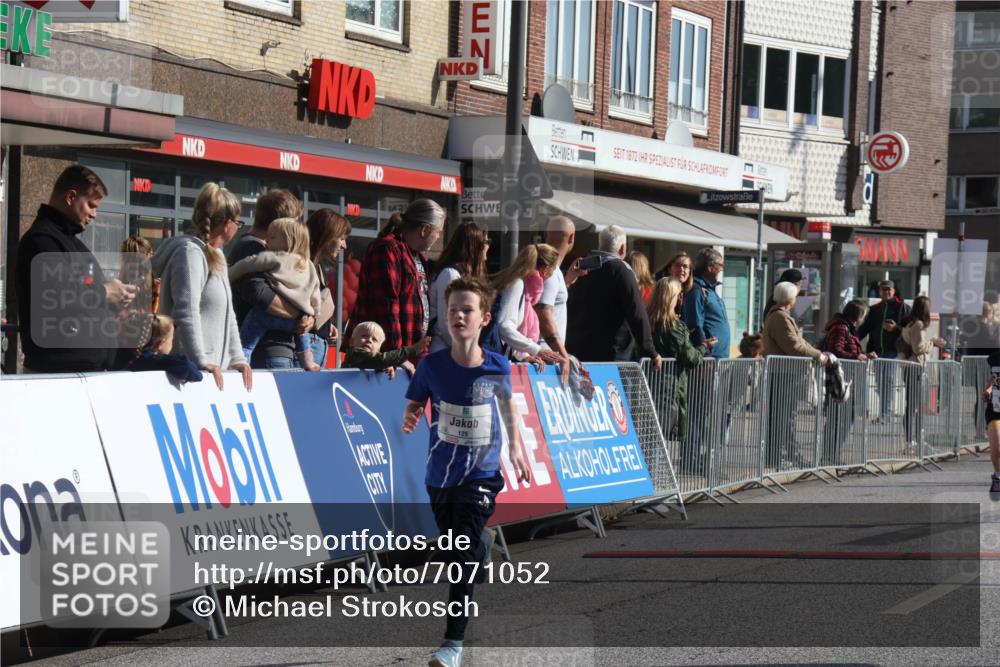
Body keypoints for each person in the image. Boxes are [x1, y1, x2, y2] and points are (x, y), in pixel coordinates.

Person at [402, 276, 531, 667]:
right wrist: (409, 419)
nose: (458, 315)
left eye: (467, 309)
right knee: (457, 546)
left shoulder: (497, 365)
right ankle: (482, 544)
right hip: (440, 475)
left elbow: (508, 408)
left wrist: (516, 447)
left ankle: (452, 644)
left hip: (482, 473)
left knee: (459, 556)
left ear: (484, 319)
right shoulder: (432, 366)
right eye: (452, 309)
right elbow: (415, 402)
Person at [15, 165, 139, 373]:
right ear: (71, 197)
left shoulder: (71, 243)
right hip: (57, 375)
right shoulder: (42, 240)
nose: (94, 215)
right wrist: (106, 292)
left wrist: (118, 301)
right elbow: (57, 296)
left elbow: (86, 298)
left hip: (81, 371)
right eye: (91, 205)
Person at [152, 182, 252, 391]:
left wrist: (238, 358)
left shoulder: (216, 255)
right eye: (238, 222)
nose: (238, 227)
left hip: (210, 373)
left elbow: (228, 315)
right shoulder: (191, 254)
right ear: (227, 224)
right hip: (188, 377)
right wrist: (200, 360)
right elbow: (186, 312)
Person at [351, 199, 444, 363]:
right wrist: (397, 356)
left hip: (410, 355)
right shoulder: (388, 249)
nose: (438, 237)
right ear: (425, 229)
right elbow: (386, 305)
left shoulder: (417, 256)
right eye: (438, 232)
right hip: (386, 359)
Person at [228, 188, 309, 370]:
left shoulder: (266, 250)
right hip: (266, 350)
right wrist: (300, 315)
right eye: (294, 221)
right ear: (280, 223)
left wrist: (308, 315)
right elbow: (259, 293)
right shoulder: (252, 248)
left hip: (275, 348)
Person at [566, 225, 661, 367]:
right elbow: (637, 313)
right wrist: (651, 351)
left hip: (576, 351)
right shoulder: (621, 270)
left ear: (600, 244)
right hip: (610, 356)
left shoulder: (580, 266)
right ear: (623, 248)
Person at [763, 282, 831, 468]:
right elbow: (794, 346)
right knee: (784, 418)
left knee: (784, 417)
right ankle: (781, 457)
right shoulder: (780, 318)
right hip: (784, 373)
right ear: (791, 299)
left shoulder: (780, 316)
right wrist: (819, 355)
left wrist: (816, 352)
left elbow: (799, 343)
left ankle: (786, 455)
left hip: (784, 372)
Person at [647, 278, 710, 454]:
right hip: (668, 388)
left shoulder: (646, 321)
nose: (682, 299)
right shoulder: (674, 325)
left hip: (648, 383)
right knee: (658, 439)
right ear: (673, 298)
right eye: (680, 295)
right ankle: (655, 480)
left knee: (649, 437)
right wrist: (704, 347)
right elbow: (690, 358)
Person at [490, 243, 565, 366]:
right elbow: (505, 326)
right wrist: (536, 349)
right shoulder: (517, 284)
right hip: (494, 362)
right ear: (545, 270)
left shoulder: (523, 288)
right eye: (554, 269)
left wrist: (523, 356)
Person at [536, 216, 587, 385]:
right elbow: (543, 312)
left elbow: (549, 299)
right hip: (546, 358)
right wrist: (563, 354)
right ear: (572, 238)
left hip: (546, 355)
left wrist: (568, 280)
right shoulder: (550, 272)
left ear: (546, 234)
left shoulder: (552, 271)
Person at [820, 300, 871, 464]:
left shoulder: (847, 328)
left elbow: (849, 350)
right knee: (837, 419)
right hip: (838, 379)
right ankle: (829, 456)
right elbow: (836, 351)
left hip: (846, 379)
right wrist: (856, 357)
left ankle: (833, 456)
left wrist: (865, 355)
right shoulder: (841, 328)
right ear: (858, 316)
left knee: (844, 419)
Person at [429, 222, 489, 353]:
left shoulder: (459, 274)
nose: (488, 246)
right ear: (474, 245)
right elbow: (446, 323)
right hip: (444, 351)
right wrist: (463, 350)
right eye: (485, 241)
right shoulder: (450, 274)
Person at [858, 279, 911, 423]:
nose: (886, 292)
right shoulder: (874, 309)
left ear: (894, 291)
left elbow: (910, 331)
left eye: (889, 289)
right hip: (876, 352)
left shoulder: (903, 308)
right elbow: (864, 329)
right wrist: (851, 339)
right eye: (883, 289)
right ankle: (884, 413)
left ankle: (885, 415)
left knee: (887, 382)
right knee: (880, 383)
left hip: (893, 352)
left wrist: (896, 328)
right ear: (879, 292)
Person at [899, 296, 947, 448]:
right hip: (915, 367)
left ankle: (913, 439)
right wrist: (933, 343)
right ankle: (913, 440)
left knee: (914, 405)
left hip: (910, 367)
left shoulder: (911, 322)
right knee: (915, 405)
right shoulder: (918, 325)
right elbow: (918, 348)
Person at [306, 208, 352, 367]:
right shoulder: (304, 265)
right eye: (341, 238)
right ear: (326, 235)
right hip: (309, 345)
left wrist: (326, 325)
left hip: (317, 342)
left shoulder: (316, 266)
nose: (344, 245)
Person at [127, 314, 203, 384]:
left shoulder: (125, 356)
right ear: (160, 344)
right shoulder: (156, 361)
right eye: (171, 340)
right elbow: (189, 368)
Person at [684, 247, 730, 359]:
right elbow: (694, 325)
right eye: (720, 265)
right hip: (709, 359)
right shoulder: (697, 290)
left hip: (719, 357)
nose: (721, 269)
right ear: (710, 267)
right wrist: (705, 353)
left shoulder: (710, 289)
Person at [342, 321, 429, 378]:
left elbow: (376, 361)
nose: (369, 340)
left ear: (379, 348)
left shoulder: (372, 360)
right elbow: (382, 359)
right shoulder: (355, 353)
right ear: (351, 342)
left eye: (374, 340)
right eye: (364, 336)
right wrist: (413, 350)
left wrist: (384, 366)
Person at [981, 348, 1000, 493]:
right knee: (997, 446)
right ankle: (998, 476)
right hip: (996, 410)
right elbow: (993, 379)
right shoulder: (994, 358)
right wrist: (988, 390)